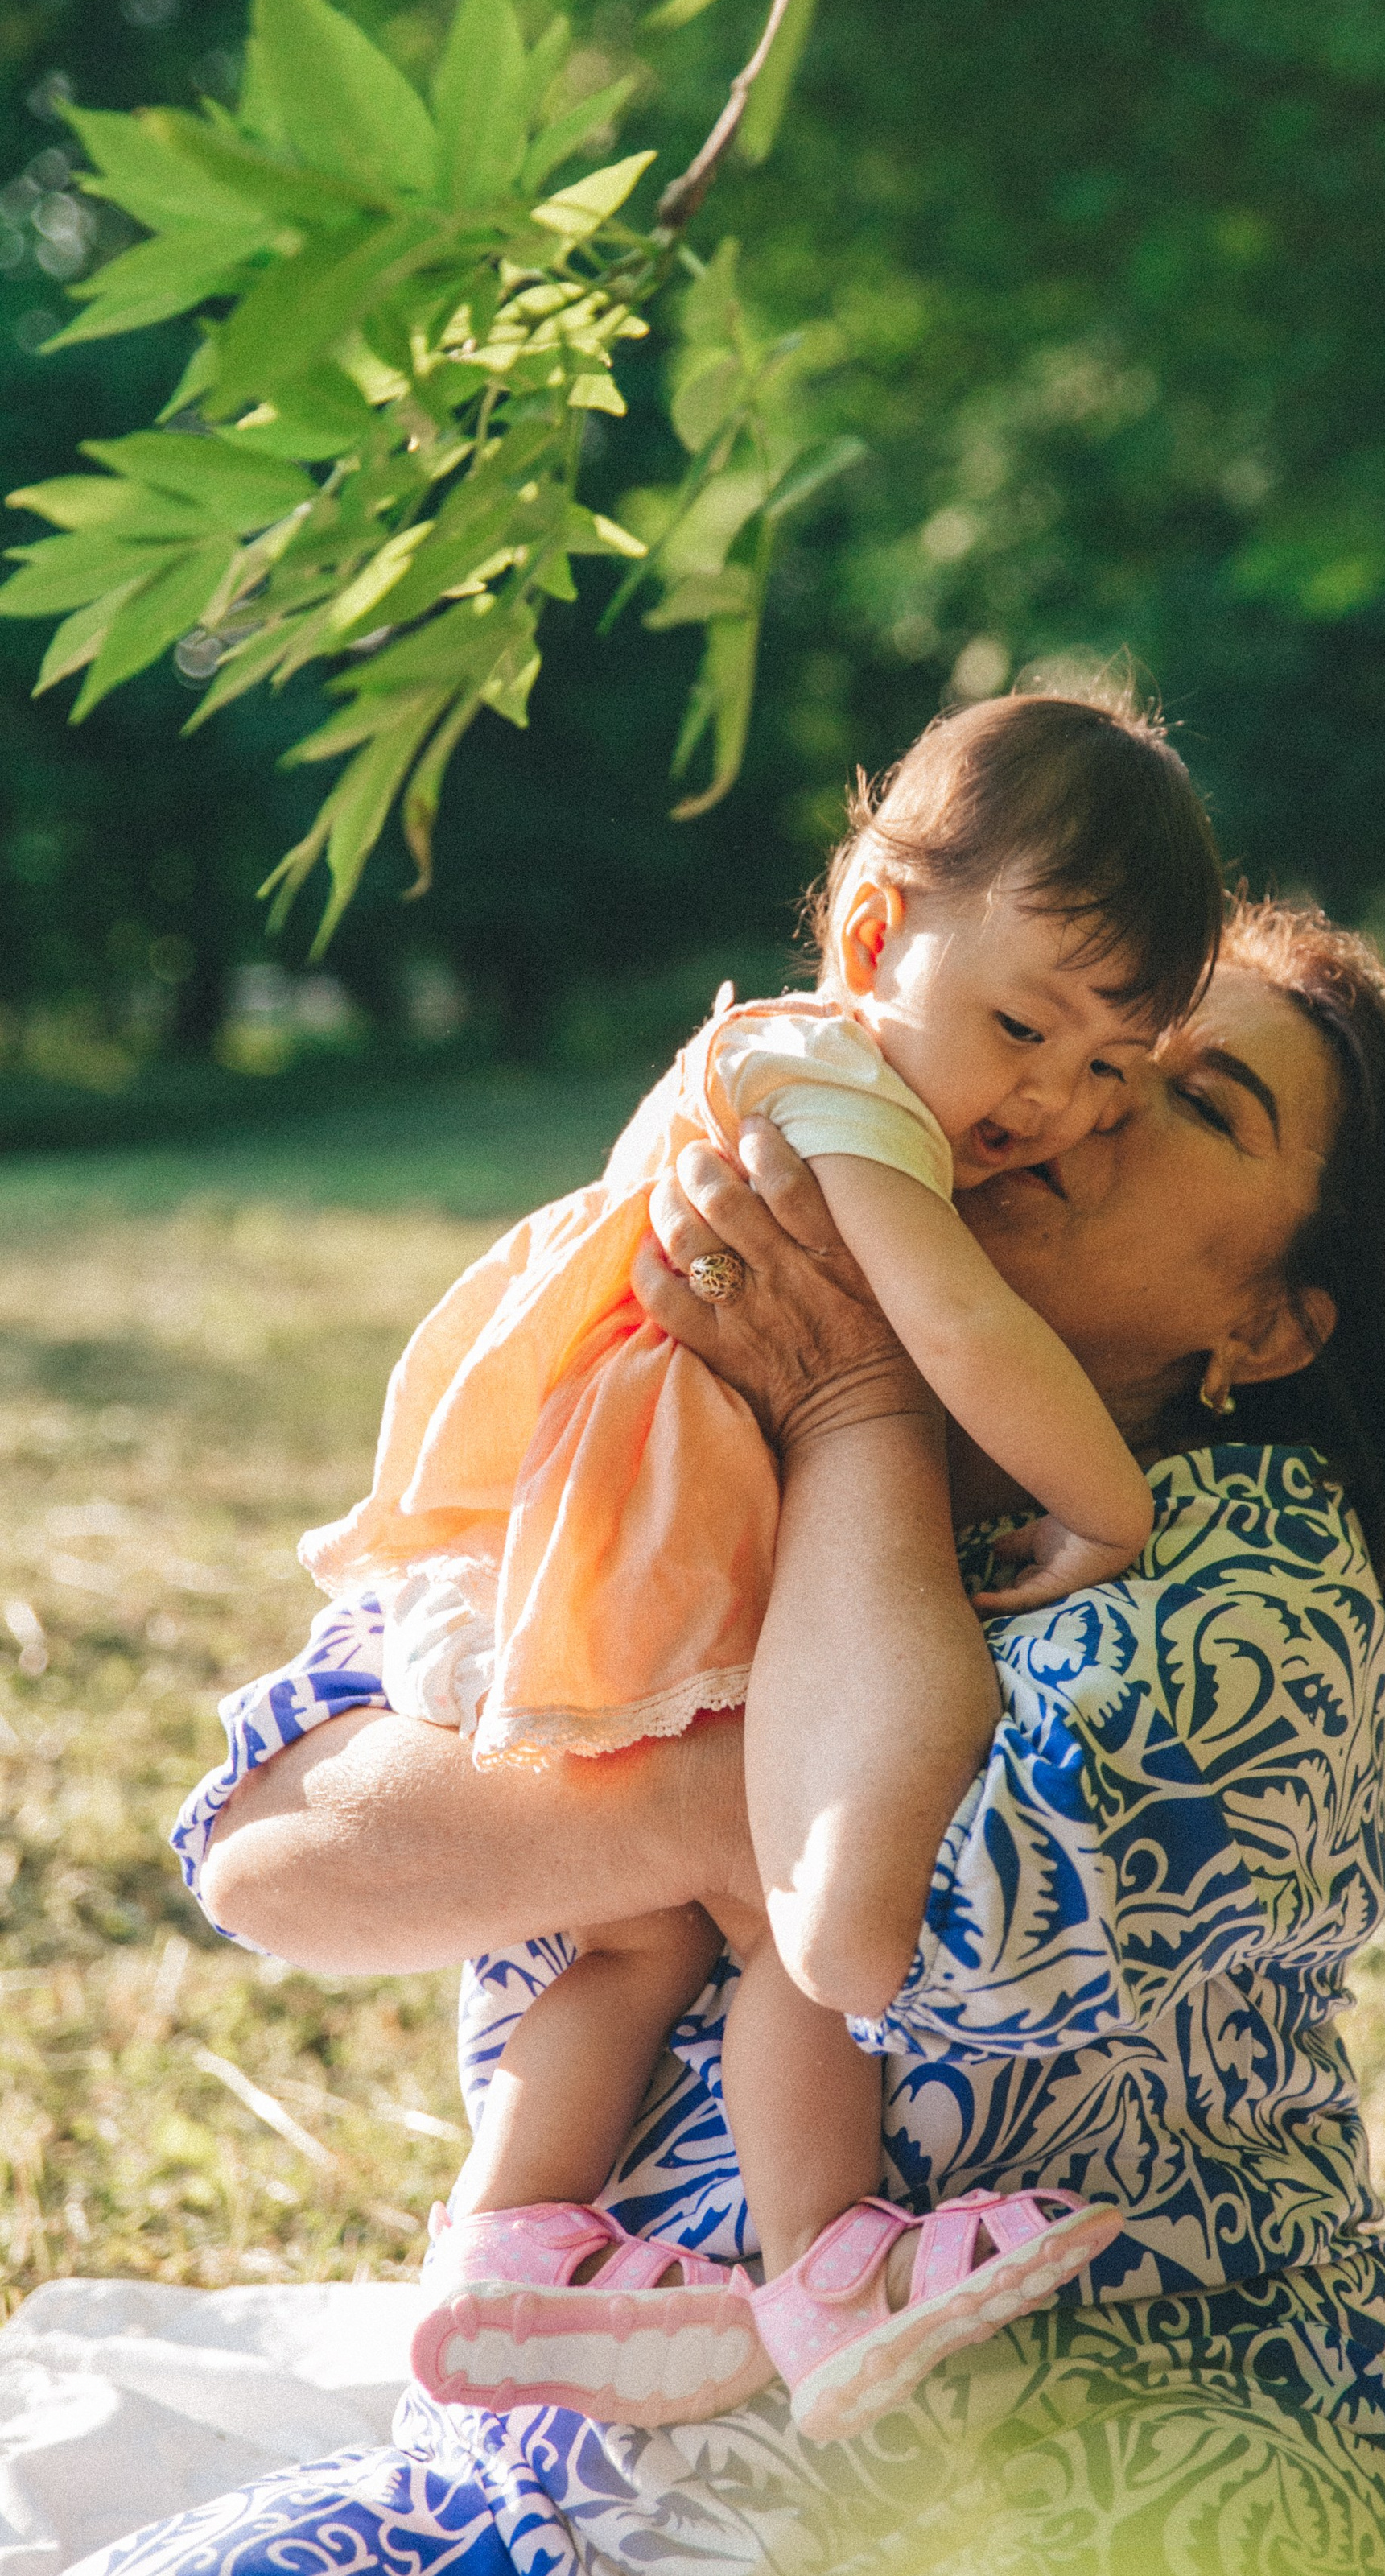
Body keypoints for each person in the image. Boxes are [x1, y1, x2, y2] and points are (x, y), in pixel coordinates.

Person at [107, 894, 1385, 2576]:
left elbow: (938, 1912)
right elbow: (271, 1851)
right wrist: (735, 1780)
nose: (1084, 1103)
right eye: (1067, 1040)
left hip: (1117, 2467)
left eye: (1192, 1093)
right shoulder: (662, 1459)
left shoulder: (1253, 1573)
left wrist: (855, 1404)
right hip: (573, 2492)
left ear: (1269, 1322)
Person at [285, 693, 1224, 2436]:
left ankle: (503, 2249)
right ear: (876, 929)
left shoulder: (855, 1082)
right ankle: (827, 2272)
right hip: (646, 1537)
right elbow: (953, 1325)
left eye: (1109, 1071)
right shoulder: (825, 1077)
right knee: (771, 1918)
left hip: (606, 1532)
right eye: (1023, 1024)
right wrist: (1101, 1504)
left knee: (633, 1944)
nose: (1050, 1096)